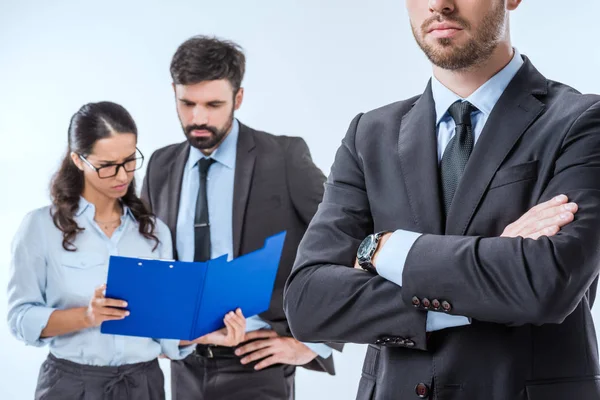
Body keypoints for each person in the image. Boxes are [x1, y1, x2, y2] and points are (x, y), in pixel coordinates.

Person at [284, 0, 600, 399]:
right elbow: (309, 302)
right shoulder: (369, 135)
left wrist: (383, 249)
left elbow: (546, 284)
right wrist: (495, 273)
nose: (439, 4)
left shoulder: (582, 121)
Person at [141, 36, 341, 400]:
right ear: (173, 93)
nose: (198, 118)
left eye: (213, 104)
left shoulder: (283, 157)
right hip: (181, 365)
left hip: (258, 365)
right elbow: (149, 260)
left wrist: (316, 344)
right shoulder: (159, 166)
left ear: (239, 98)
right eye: (187, 103)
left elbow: (345, 240)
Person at [6, 101, 245, 400]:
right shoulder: (40, 227)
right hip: (70, 386)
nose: (122, 176)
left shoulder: (155, 232)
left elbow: (165, 329)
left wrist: (211, 334)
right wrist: (87, 316)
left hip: (143, 385)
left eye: (130, 160)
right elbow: (20, 318)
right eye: (107, 166)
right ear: (78, 160)